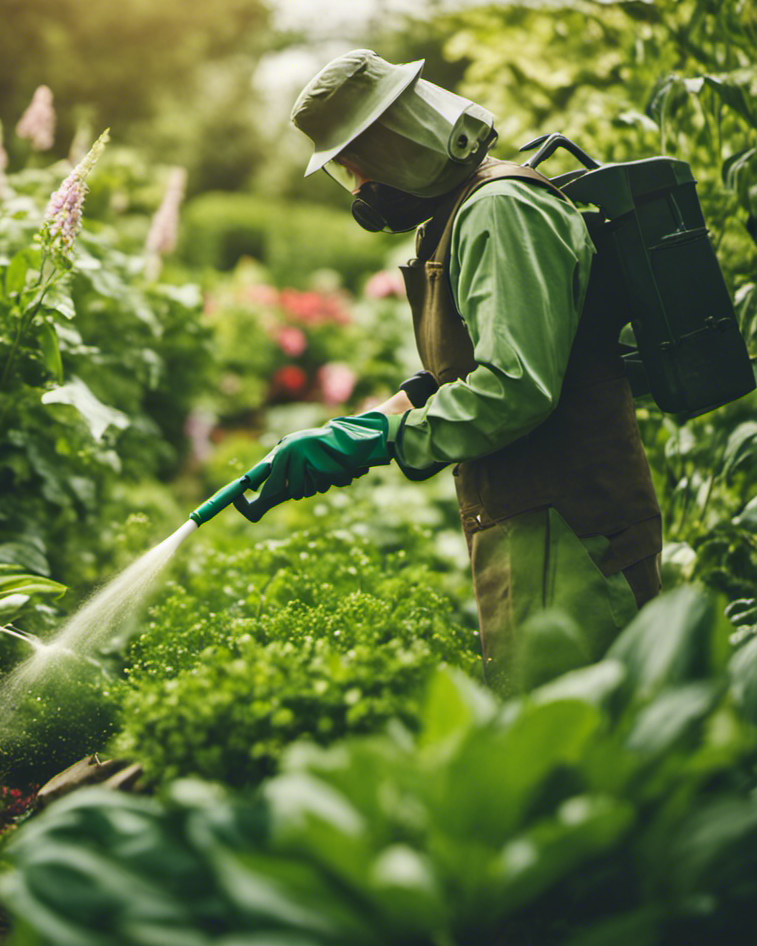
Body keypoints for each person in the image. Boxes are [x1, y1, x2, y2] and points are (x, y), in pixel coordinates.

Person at [253, 48, 662, 693]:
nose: (358, 189)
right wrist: (373, 422)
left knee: (589, 752)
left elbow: (515, 387)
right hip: (530, 523)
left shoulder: (501, 210)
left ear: (392, 144)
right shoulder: (455, 215)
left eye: (355, 166)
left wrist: (391, 440)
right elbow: (469, 365)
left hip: (576, 529)